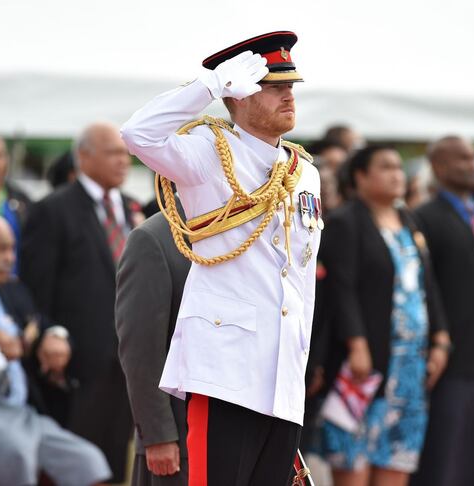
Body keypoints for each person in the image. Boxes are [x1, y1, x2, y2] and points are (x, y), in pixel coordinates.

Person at [121, 31, 321, 485]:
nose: (288, 95)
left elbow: (301, 277)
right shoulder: (209, 154)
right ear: (240, 95)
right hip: (225, 369)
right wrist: (207, 87)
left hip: (283, 374)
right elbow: (137, 134)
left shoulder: (303, 171)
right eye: (273, 87)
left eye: (290, 86)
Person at [0, 213, 110, 486]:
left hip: (22, 410)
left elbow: (38, 323)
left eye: (12, 249)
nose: (10, 258)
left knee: (89, 462)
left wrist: (54, 337)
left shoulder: (11, 288)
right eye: (0, 250)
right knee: (15, 454)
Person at [318, 146, 450, 486]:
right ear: (360, 176)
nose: (397, 174)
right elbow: (340, 287)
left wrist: (440, 339)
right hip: (366, 366)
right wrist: (356, 344)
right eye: (386, 167)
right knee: (354, 460)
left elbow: (427, 284)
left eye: (399, 167)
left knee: (396, 461)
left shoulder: (409, 220)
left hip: (409, 368)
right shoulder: (346, 221)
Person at [20, 122, 139, 482]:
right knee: (78, 466)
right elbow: (33, 288)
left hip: (129, 359)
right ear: (84, 157)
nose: (123, 161)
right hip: (76, 364)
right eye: (113, 153)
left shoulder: (132, 208)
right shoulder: (53, 210)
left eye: (125, 153)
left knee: (118, 459)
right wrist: (50, 332)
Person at [411, 136, 474, 486]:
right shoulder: (424, 218)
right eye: (463, 158)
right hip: (449, 361)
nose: (473, 164)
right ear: (439, 166)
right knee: (443, 459)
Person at [116, 209, 191, 486]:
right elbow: (140, 351)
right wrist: (158, 434)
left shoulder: (242, 229)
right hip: (178, 441)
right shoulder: (154, 237)